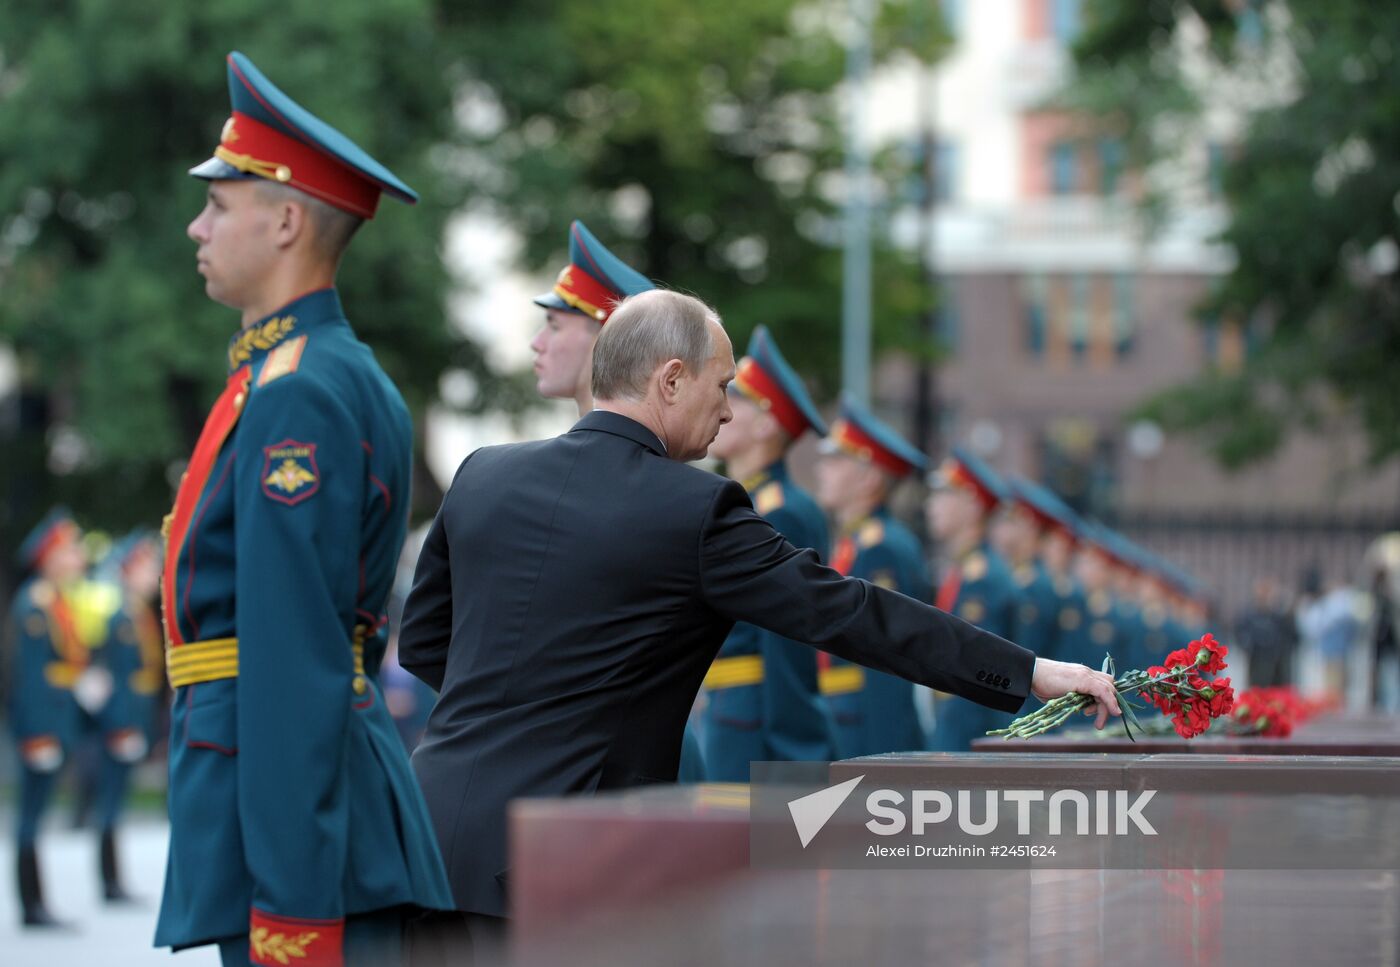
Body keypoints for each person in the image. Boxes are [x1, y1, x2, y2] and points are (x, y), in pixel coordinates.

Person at [398, 289, 1122, 957]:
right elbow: (851, 613)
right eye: (721, 388)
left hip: (429, 840)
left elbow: (429, 641)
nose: (725, 412)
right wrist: (1032, 671)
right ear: (670, 380)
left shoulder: (482, 472)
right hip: (564, 857)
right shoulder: (693, 511)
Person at [154, 52, 452, 967]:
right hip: (303, 813)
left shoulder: (297, 392)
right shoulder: (301, 375)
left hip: (300, 840)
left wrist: (294, 898)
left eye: (219, 204)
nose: (196, 226)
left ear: (286, 220)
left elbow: (293, 649)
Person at [700, 325, 836, 778]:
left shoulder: (783, 511)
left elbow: (787, 647)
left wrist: (796, 755)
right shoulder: (747, 501)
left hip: (756, 729)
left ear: (765, 423)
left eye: (734, 398)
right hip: (732, 715)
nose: (720, 408)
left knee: (752, 849)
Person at [813, 394, 931, 758]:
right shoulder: (858, 543)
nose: (822, 470)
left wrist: (882, 764)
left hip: (866, 735)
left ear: (867, 479)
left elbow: (886, 669)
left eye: (836, 461)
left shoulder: (884, 549)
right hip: (845, 721)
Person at [5, 510, 89, 927]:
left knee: (37, 816)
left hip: (55, 718)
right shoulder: (35, 605)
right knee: (30, 817)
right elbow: (30, 678)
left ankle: (36, 903)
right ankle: (31, 906)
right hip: (40, 722)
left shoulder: (55, 602)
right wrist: (37, 733)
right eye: (70, 550)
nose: (77, 558)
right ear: (51, 556)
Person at [925, 447, 1020, 751]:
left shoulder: (986, 580)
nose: (931, 506)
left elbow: (978, 681)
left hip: (968, 740)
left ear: (971, 505)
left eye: (943, 495)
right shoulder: (964, 572)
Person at [94, 532, 166, 903]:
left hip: (135, 717)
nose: (152, 573)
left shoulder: (137, 615)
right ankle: (109, 882)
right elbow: (117, 679)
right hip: (121, 721)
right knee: (110, 801)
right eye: (145, 566)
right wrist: (122, 726)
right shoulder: (121, 617)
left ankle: (114, 881)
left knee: (117, 800)